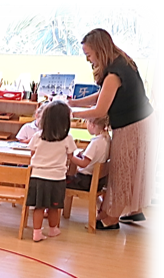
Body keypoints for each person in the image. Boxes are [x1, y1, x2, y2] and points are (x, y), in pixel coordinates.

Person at [67, 28, 158, 229]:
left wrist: (71, 113)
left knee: (121, 169)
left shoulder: (115, 73)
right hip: (141, 119)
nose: (88, 60)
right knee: (133, 169)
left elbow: (100, 109)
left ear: (99, 50)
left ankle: (111, 218)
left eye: (89, 55)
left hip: (133, 125)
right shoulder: (121, 62)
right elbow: (101, 95)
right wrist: (73, 102)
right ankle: (130, 210)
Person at [27, 100, 77, 242]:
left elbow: (32, 153)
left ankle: (36, 232)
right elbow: (71, 156)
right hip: (57, 177)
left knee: (39, 206)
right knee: (54, 207)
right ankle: (53, 229)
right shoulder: (67, 138)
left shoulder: (37, 136)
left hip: (38, 176)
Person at [67, 117, 111, 191]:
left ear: (92, 125)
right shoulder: (107, 139)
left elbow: (83, 163)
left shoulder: (95, 142)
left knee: (61, 182)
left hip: (85, 181)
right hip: (100, 182)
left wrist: (71, 156)